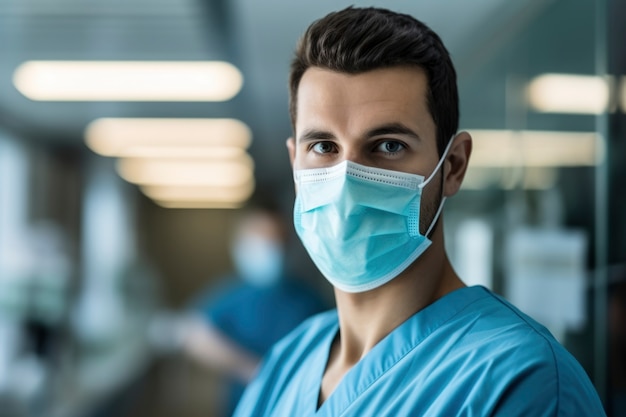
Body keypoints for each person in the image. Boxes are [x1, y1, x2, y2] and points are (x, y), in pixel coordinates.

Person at [233, 6, 606, 416]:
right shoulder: (286, 365)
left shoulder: (520, 383)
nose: (347, 180)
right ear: (294, 163)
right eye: (323, 147)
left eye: (389, 145)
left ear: (454, 166)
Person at [151, 202, 329, 417]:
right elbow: (193, 333)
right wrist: (252, 369)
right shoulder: (237, 294)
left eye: (275, 242)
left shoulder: (306, 299)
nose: (268, 249)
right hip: (243, 405)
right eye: (260, 241)